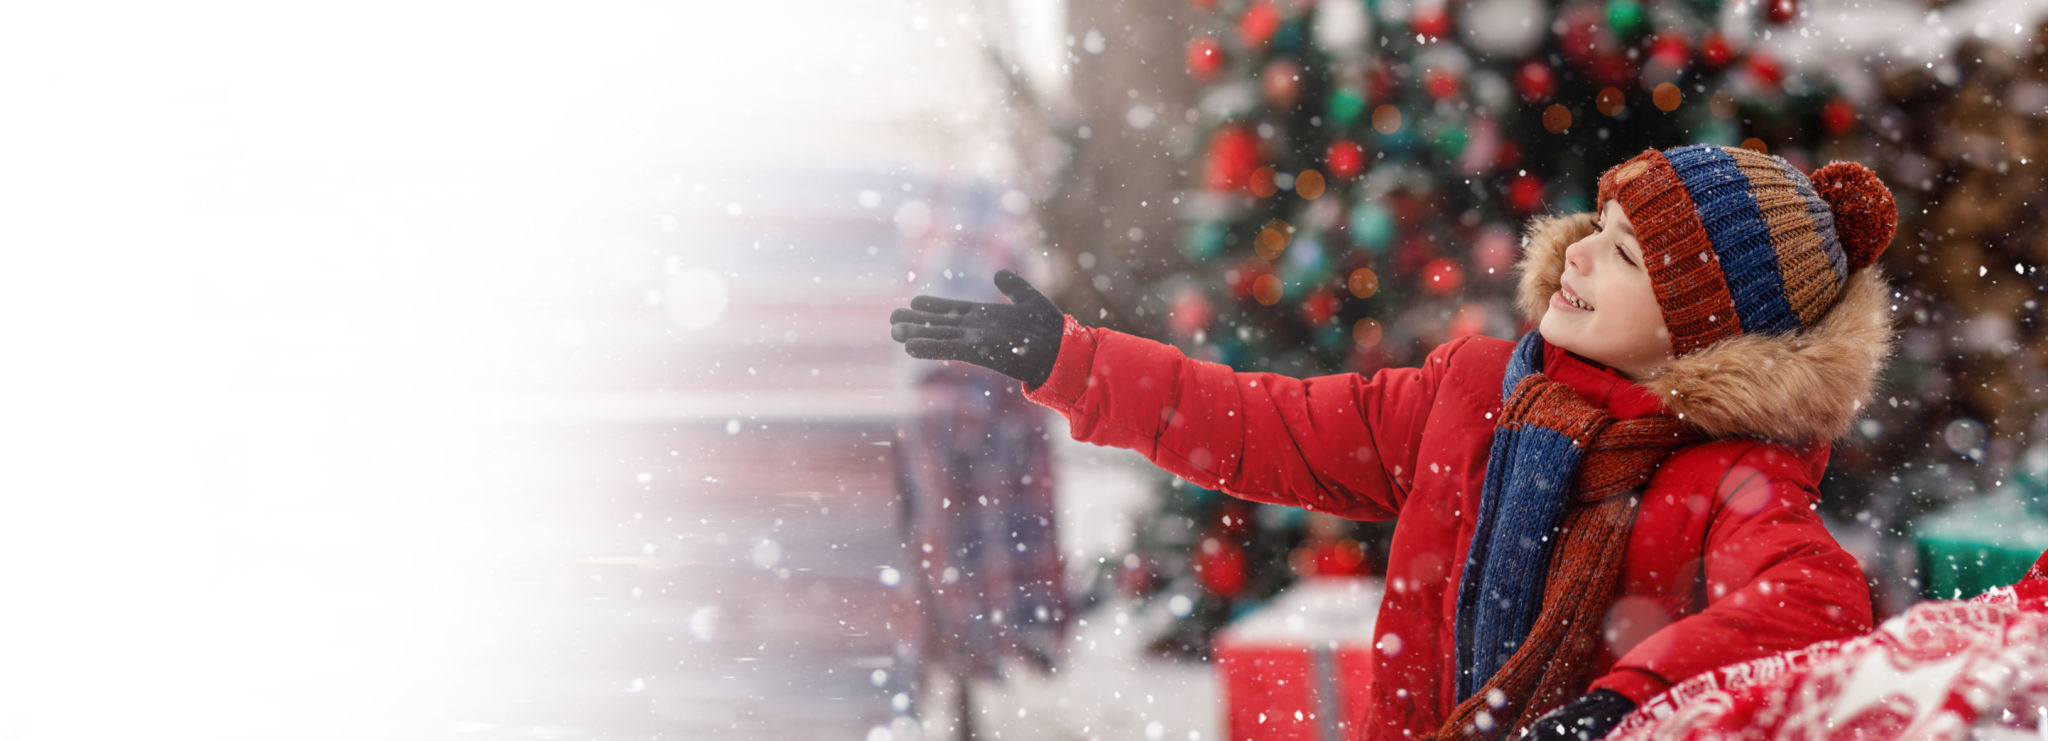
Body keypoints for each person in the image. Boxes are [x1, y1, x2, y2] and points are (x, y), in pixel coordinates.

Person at [888, 144, 1899, 739]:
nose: (1578, 251)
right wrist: (1066, 359)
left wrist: (1620, 703)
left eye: (1626, 253)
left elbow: (1811, 606)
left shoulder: (1729, 478)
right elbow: (1261, 425)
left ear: (1700, 325)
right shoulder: (1468, 396)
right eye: (1594, 222)